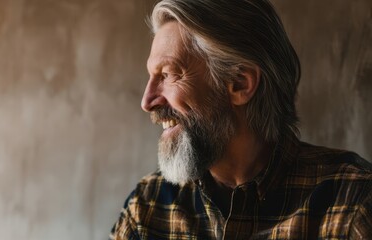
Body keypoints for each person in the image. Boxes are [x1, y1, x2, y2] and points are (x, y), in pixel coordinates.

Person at [109, 0, 372, 239]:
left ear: (239, 83)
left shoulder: (351, 203)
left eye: (167, 74)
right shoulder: (147, 208)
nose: (147, 101)